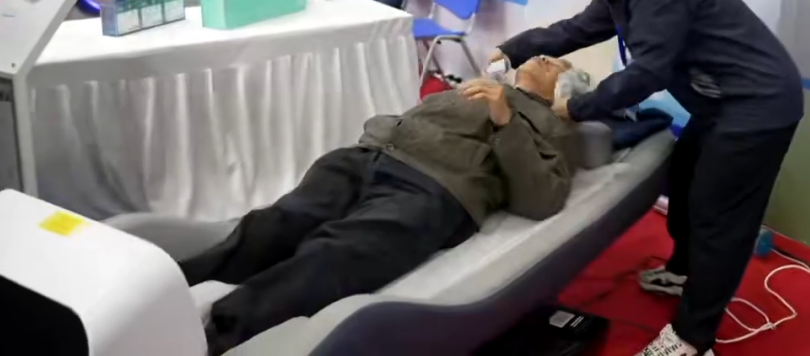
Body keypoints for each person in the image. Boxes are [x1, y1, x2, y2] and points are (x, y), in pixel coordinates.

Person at [491, 0, 804, 356]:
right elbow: (576, 29)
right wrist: (512, 50)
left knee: (718, 219)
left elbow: (649, 72)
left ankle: (692, 339)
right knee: (686, 179)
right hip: (721, 104)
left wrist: (578, 107)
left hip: (757, 105)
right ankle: (684, 272)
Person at [181, 55, 586, 355]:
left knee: (336, 253)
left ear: (563, 92)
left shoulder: (552, 126)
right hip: (367, 156)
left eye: (556, 64)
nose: (544, 57)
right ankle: (171, 284)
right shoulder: (480, 87)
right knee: (274, 223)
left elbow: (542, 197)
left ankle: (214, 334)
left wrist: (505, 121)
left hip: (432, 186)